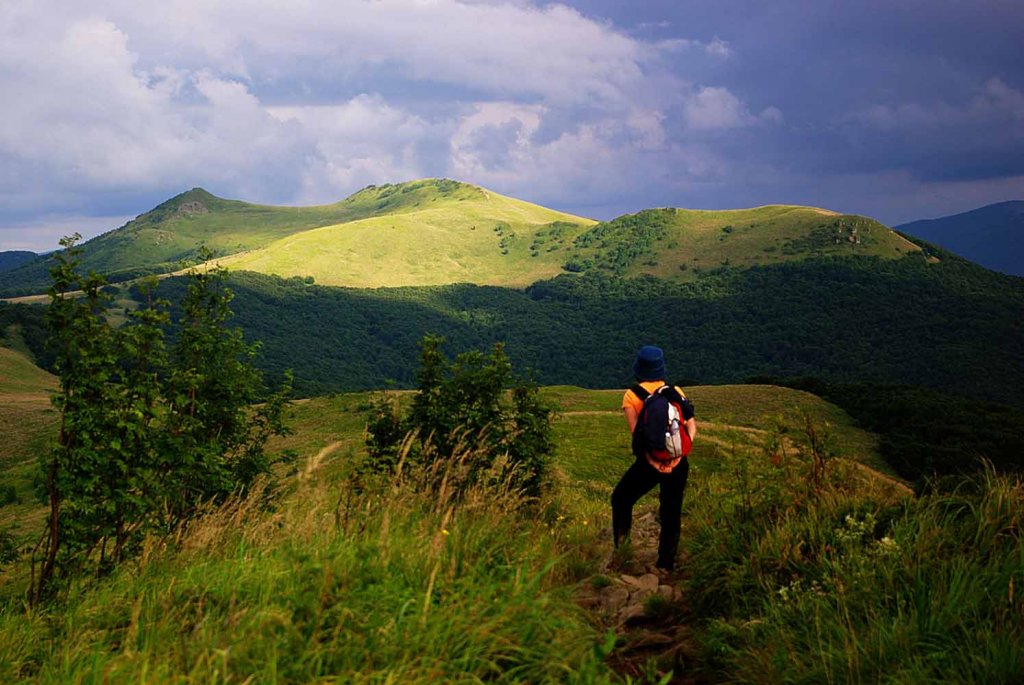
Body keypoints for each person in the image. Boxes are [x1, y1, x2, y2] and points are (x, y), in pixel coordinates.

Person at [611, 345, 697, 572]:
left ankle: (623, 554)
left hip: (650, 462)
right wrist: (677, 457)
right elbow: (691, 427)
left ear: (638, 369)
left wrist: (655, 463)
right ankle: (666, 563)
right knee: (671, 510)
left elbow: (638, 436)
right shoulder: (675, 391)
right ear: (661, 369)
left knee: (621, 499)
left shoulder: (631, 396)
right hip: (678, 462)